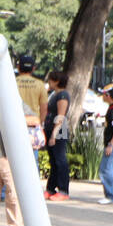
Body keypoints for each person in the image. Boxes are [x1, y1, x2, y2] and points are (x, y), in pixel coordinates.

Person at [44, 69, 71, 200]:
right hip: (49, 128)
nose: (49, 82)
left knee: (60, 160)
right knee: (53, 160)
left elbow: (61, 115)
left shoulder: (63, 96)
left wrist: (54, 134)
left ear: (57, 81)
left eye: (51, 80)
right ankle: (51, 188)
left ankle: (63, 190)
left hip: (59, 130)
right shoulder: (53, 94)